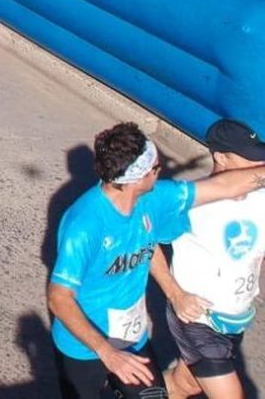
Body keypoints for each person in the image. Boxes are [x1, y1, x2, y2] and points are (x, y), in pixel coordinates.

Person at [47, 121, 265, 399]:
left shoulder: (155, 198)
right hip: (84, 346)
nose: (160, 172)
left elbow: (224, 186)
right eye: (155, 169)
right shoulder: (85, 224)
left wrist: (174, 293)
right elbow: (59, 298)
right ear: (135, 179)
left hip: (132, 338)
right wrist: (106, 352)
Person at [155, 119, 265, 399]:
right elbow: (144, 241)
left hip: (236, 317)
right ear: (221, 157)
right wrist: (176, 294)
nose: (258, 165)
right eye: (251, 159)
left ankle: (129, 391)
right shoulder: (190, 201)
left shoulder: (260, 196)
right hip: (199, 319)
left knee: (185, 385)